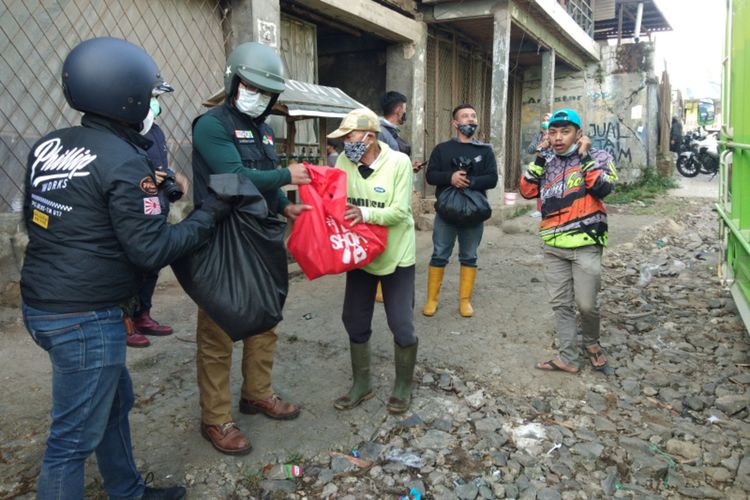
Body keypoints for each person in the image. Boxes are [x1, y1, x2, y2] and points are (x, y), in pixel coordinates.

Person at [21, 36, 232, 500]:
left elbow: (38, 221)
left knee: (116, 402)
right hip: (84, 318)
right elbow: (151, 250)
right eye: (152, 95)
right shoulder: (125, 161)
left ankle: (128, 491)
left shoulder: (47, 146)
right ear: (128, 95)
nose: (154, 103)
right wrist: (208, 214)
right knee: (71, 442)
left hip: (44, 303)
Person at [191, 41, 310, 456]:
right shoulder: (211, 125)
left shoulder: (264, 129)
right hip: (221, 239)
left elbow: (262, 179)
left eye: (266, 91)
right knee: (219, 328)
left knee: (264, 317)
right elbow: (235, 178)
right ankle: (216, 417)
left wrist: (285, 204)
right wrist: (286, 175)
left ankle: (257, 393)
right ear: (233, 81)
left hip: (260, 236)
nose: (258, 96)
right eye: (251, 86)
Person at [327, 108, 418, 414]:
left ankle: (403, 386)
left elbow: (401, 212)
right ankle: (361, 384)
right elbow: (333, 199)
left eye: (349, 136)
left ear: (370, 136)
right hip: (361, 254)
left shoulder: (399, 163)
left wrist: (364, 213)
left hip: (397, 256)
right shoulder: (343, 162)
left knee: (401, 325)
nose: (344, 144)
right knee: (353, 319)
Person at [519, 108, 618, 374]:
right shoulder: (547, 161)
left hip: (586, 243)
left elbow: (603, 189)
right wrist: (540, 156)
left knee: (587, 305)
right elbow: (526, 190)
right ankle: (568, 358)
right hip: (553, 246)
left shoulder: (599, 156)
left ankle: (592, 343)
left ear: (579, 134)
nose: (559, 137)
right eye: (553, 132)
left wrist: (584, 157)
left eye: (565, 132)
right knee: (561, 304)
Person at [422, 104, 498, 318]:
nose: (470, 120)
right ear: (455, 123)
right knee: (439, 254)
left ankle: (465, 301)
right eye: (465, 117)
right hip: (446, 212)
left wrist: (470, 181)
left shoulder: (485, 150)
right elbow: (430, 176)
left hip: (474, 212)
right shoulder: (442, 149)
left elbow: (492, 179)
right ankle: (432, 300)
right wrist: (450, 178)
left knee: (470, 256)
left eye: (473, 116)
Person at [127, 82, 183, 348]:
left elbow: (160, 165)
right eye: (151, 98)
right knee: (131, 266)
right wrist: (145, 176)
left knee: (152, 263)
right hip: (134, 209)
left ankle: (143, 314)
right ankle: (124, 320)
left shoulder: (157, 132)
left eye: (157, 99)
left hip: (157, 207)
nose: (155, 104)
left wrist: (169, 176)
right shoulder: (124, 133)